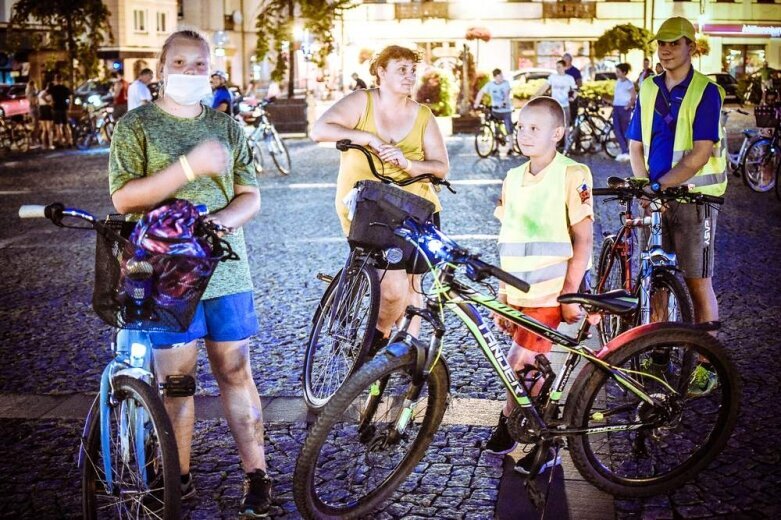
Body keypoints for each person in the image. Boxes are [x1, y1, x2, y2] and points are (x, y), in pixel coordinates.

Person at [108, 29, 272, 517]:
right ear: (161, 69)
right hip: (163, 274)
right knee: (177, 382)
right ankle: (177, 478)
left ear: (210, 70)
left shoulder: (226, 127)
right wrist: (188, 166)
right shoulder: (135, 126)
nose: (190, 72)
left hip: (225, 270)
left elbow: (251, 195)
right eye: (180, 63)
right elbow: (123, 198)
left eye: (199, 64)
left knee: (236, 370)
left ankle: (257, 476)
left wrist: (216, 224)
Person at [310, 44, 449, 350]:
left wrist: (409, 164)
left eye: (413, 70)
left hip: (415, 208)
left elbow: (441, 167)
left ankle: (405, 352)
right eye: (401, 69)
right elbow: (320, 129)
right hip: (369, 207)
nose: (409, 75)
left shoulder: (423, 115)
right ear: (380, 72)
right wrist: (368, 139)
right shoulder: (363, 101)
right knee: (394, 288)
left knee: (414, 286)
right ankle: (376, 343)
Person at [485, 95, 593, 475]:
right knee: (524, 368)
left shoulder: (571, 174)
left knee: (520, 364)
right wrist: (503, 296)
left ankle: (530, 436)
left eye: (535, 128)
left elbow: (583, 239)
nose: (525, 134)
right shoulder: (513, 178)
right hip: (518, 293)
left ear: (558, 133)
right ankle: (516, 429)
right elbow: (509, 239)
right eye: (520, 127)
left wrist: (571, 293)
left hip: (550, 292)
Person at [626, 17, 726, 396]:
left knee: (698, 282)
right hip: (657, 196)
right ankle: (659, 351)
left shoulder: (706, 91)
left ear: (690, 46)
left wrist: (658, 186)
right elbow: (636, 145)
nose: (665, 50)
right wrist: (643, 185)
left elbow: (701, 154)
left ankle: (706, 363)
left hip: (695, 199)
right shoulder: (649, 88)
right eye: (661, 44)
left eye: (674, 43)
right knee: (655, 280)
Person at [473, 68, 515, 153]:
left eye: (502, 75)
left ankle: (511, 147)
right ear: (495, 77)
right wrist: (476, 104)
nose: (502, 77)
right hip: (495, 111)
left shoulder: (506, 84)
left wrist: (503, 103)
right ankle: (496, 147)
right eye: (500, 76)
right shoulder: (490, 85)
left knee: (508, 128)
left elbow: (507, 95)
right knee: (495, 128)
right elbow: (481, 92)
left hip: (505, 110)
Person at [612, 63, 636, 162]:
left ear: (624, 72)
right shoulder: (618, 82)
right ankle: (624, 150)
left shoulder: (629, 83)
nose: (616, 73)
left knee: (624, 130)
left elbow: (633, 96)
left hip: (624, 109)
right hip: (616, 107)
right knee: (617, 130)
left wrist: (628, 106)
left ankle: (627, 152)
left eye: (618, 71)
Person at [546, 60, 578, 126]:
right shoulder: (553, 77)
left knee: (566, 125)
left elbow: (575, 90)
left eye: (559, 67)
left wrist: (573, 97)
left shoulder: (569, 78)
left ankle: (567, 136)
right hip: (555, 105)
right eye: (557, 67)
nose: (557, 69)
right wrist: (535, 95)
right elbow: (544, 87)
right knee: (554, 124)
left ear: (564, 68)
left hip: (565, 105)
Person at [48, 74, 73, 148]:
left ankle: (60, 142)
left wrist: (50, 102)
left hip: (56, 108)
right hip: (64, 108)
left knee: (58, 126)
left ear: (55, 80)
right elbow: (71, 98)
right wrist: (69, 108)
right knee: (66, 125)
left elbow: (43, 96)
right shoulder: (65, 88)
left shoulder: (53, 89)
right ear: (61, 80)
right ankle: (69, 142)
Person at [37, 82, 55, 150]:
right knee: (49, 129)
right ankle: (50, 144)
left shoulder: (40, 92)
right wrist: (48, 102)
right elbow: (51, 103)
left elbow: (37, 101)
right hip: (47, 109)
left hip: (41, 109)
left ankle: (44, 145)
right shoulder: (49, 93)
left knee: (44, 130)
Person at [25, 80, 40, 146]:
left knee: (35, 125)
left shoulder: (28, 92)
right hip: (34, 109)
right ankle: (33, 140)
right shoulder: (33, 92)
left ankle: (33, 140)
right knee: (36, 126)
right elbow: (34, 101)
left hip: (31, 108)